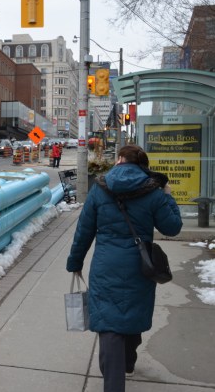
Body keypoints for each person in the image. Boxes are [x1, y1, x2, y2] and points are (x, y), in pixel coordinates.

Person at [66, 145, 182, 392]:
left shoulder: (100, 188)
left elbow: (84, 230)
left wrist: (75, 262)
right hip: (140, 267)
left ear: (119, 160)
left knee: (109, 321)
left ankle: (113, 376)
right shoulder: (154, 191)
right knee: (132, 315)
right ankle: (127, 361)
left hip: (105, 265)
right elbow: (172, 227)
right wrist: (168, 195)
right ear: (143, 165)